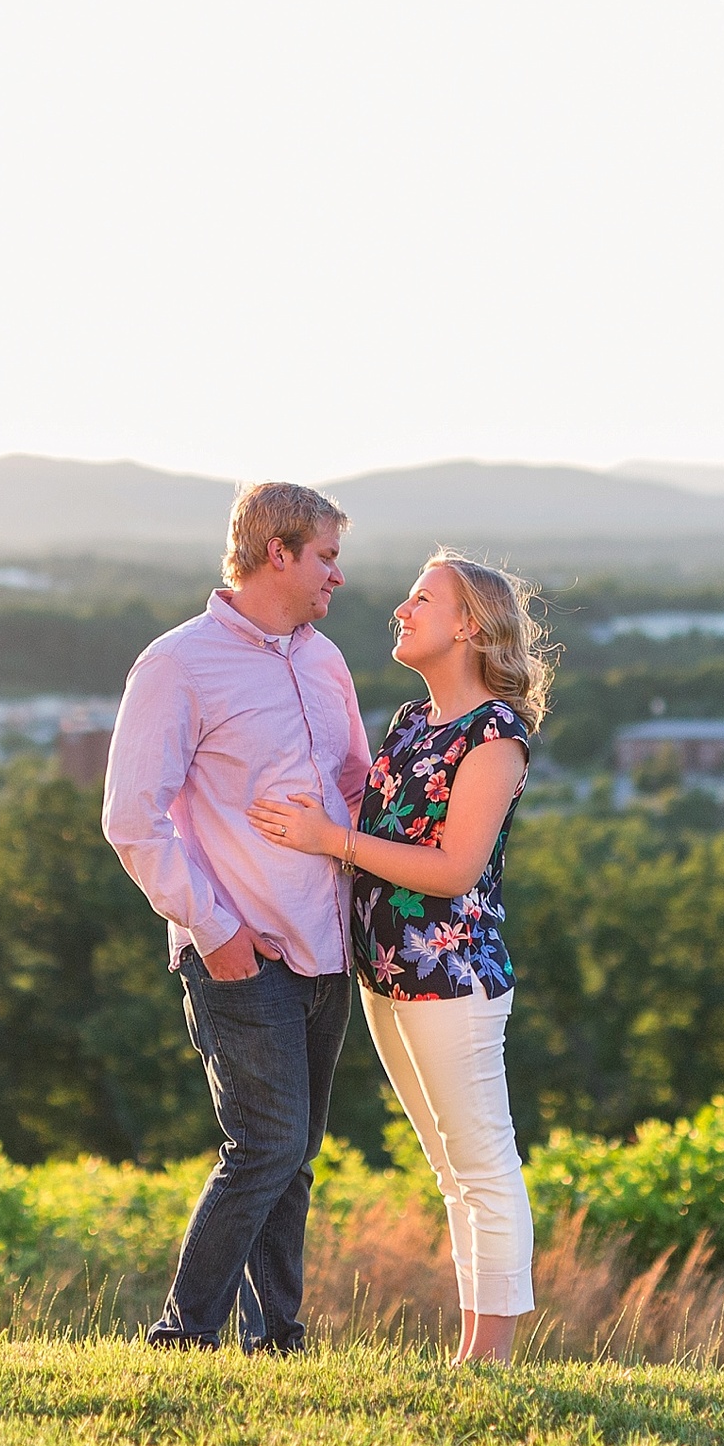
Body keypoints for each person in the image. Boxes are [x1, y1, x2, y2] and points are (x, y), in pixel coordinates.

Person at [249, 551, 551, 1364]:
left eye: (422, 599)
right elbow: (385, 830)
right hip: (385, 976)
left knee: (483, 1161)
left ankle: (490, 1359)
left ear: (467, 625)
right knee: (450, 1168)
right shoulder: (413, 723)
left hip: (452, 981)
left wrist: (332, 839)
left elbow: (454, 868)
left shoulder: (496, 736)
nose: (401, 610)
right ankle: (472, 1354)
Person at [100, 481, 369, 1354]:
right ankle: (183, 1338)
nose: (337, 576)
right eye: (326, 556)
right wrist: (213, 930)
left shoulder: (326, 661)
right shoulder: (177, 663)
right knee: (264, 1145)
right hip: (239, 950)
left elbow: (357, 786)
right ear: (277, 551)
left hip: (330, 945)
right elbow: (130, 818)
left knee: (293, 1157)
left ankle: (277, 1343)